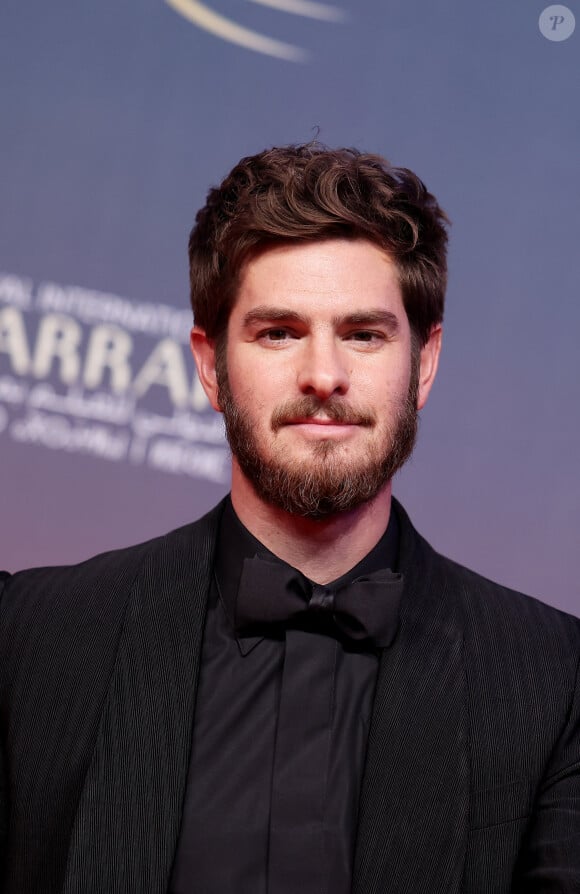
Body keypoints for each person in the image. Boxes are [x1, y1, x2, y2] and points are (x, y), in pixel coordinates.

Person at [0, 143, 579, 894]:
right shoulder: (30, 639)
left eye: (364, 334)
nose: (324, 375)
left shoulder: (553, 678)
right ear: (210, 366)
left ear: (424, 364)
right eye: (279, 332)